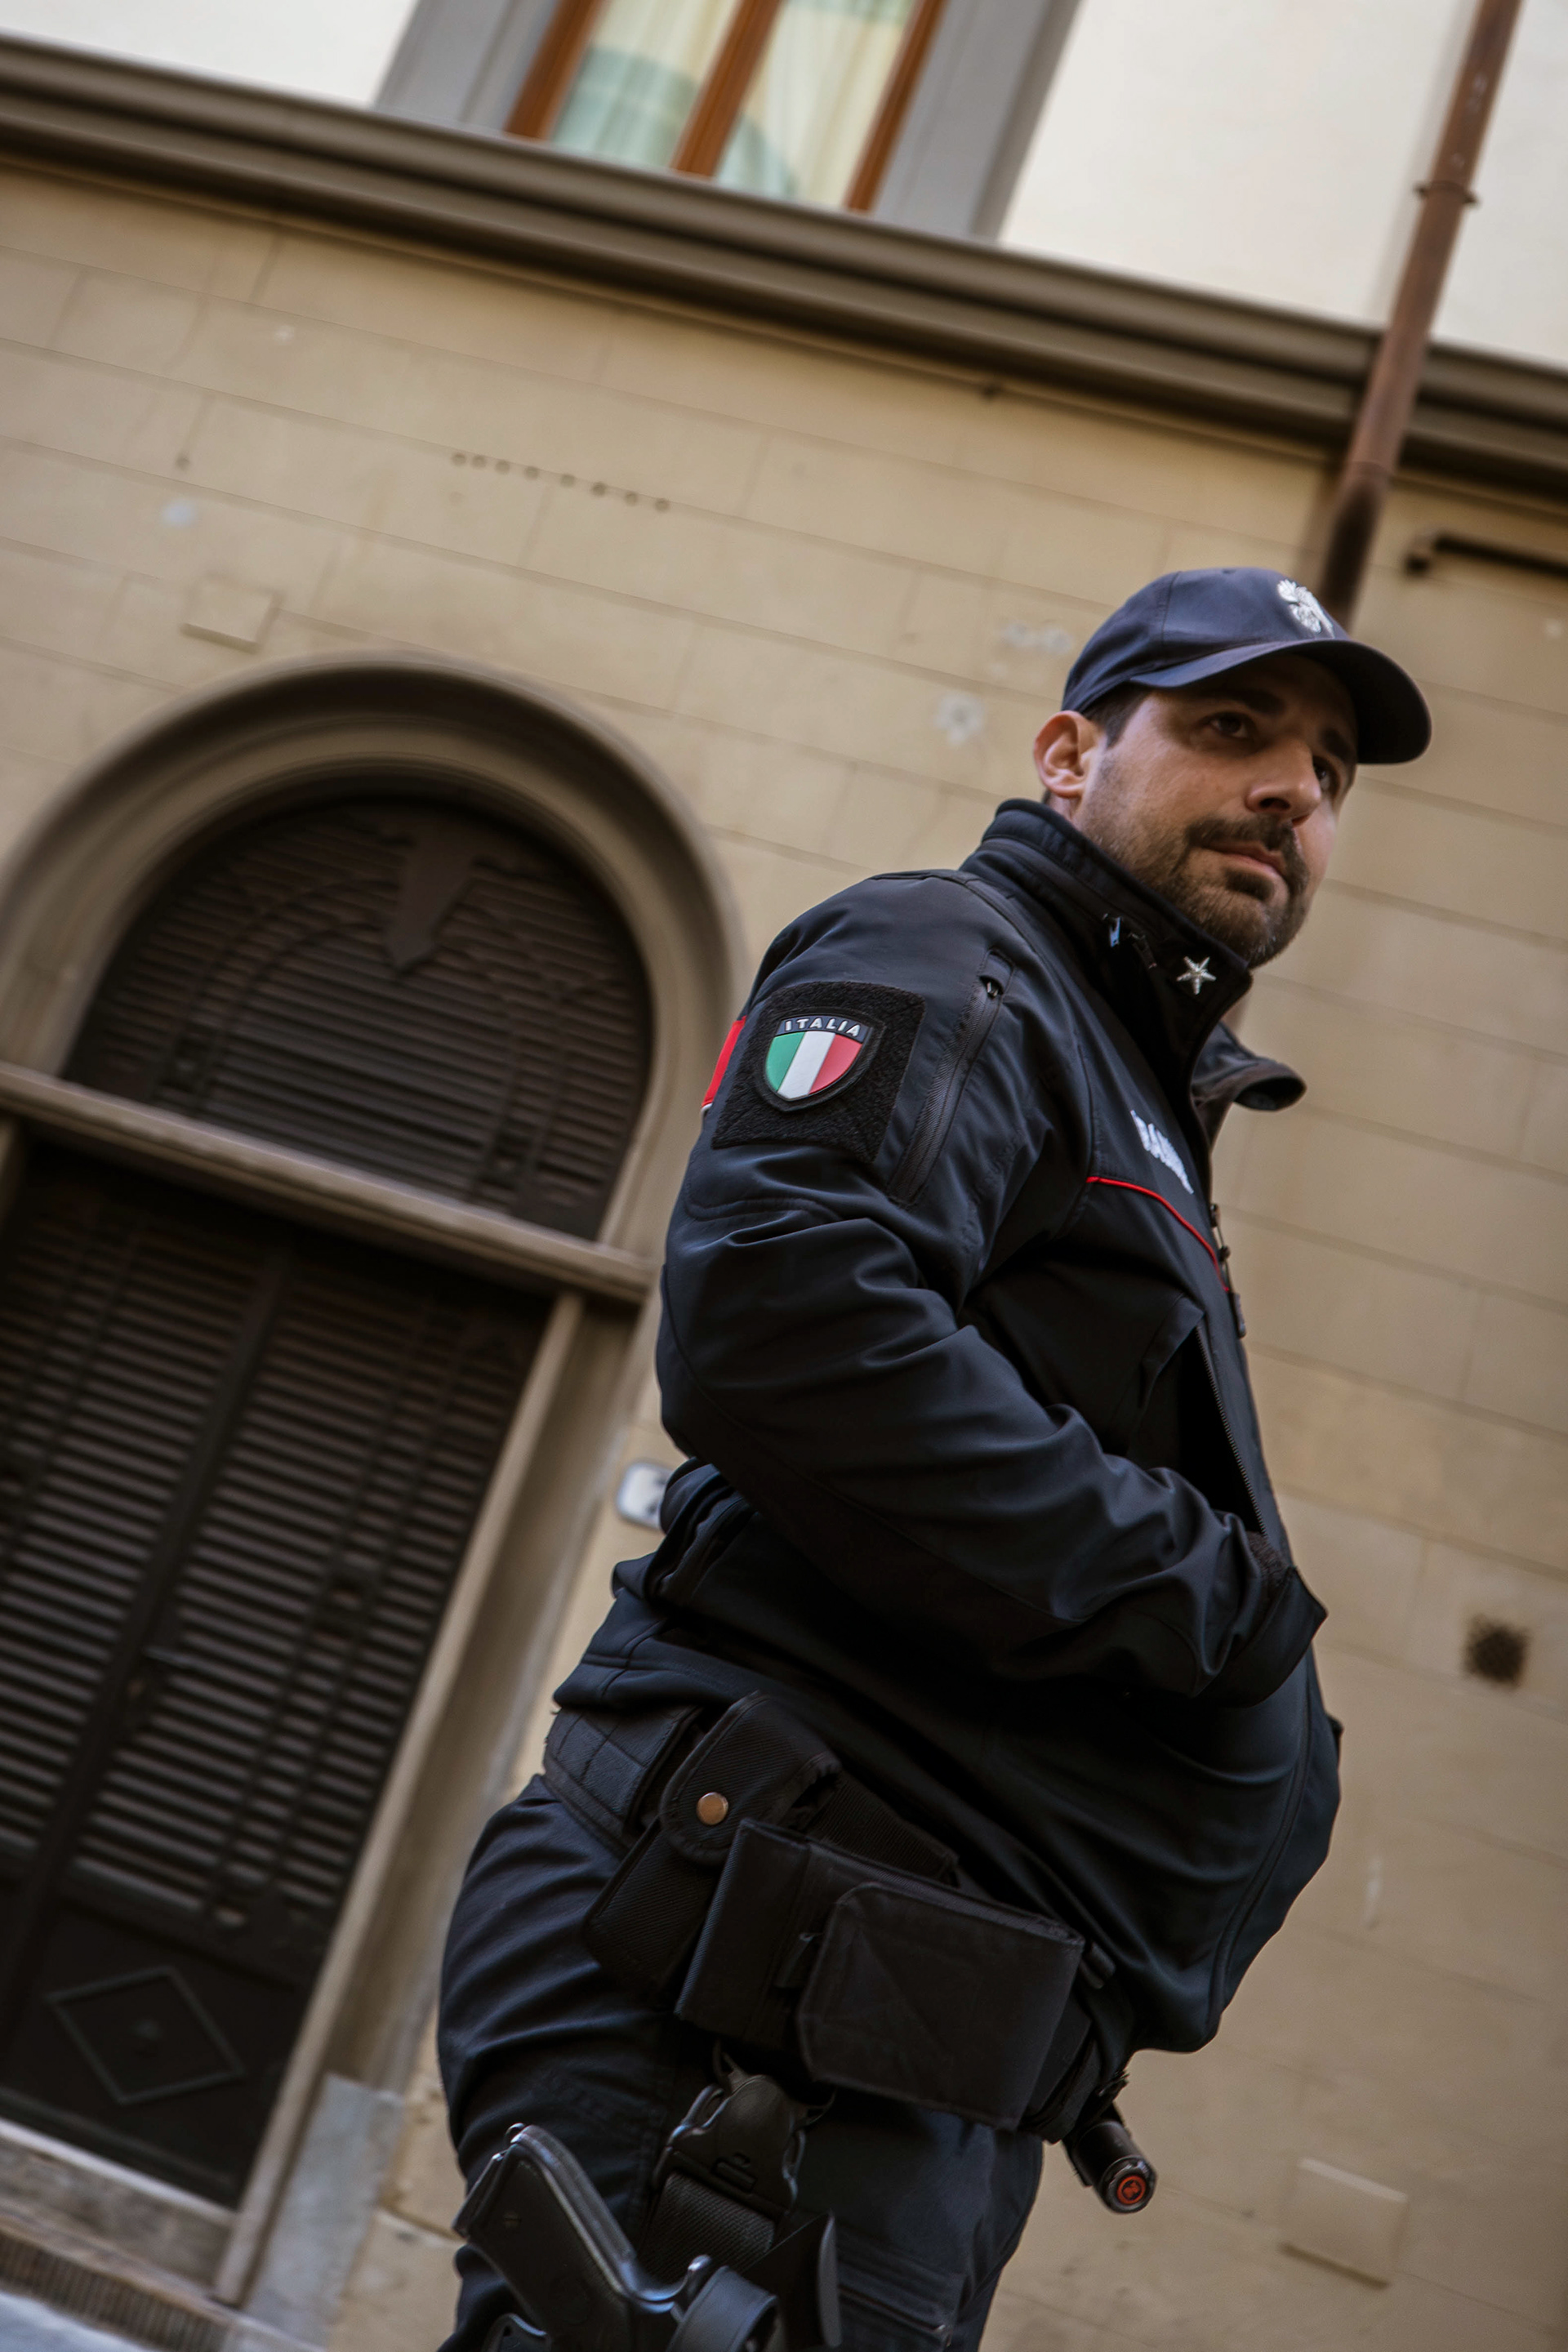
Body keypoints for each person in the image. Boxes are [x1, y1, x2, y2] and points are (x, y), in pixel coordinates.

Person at [437, 568, 1431, 2352]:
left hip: (897, 2046)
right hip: (737, 2005)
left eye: (1332, 771)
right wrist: (1217, 1608)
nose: (1295, 788)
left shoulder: (1127, 1078)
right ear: (1068, 755)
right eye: (1232, 729)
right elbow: (788, 1325)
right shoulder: (948, 958)